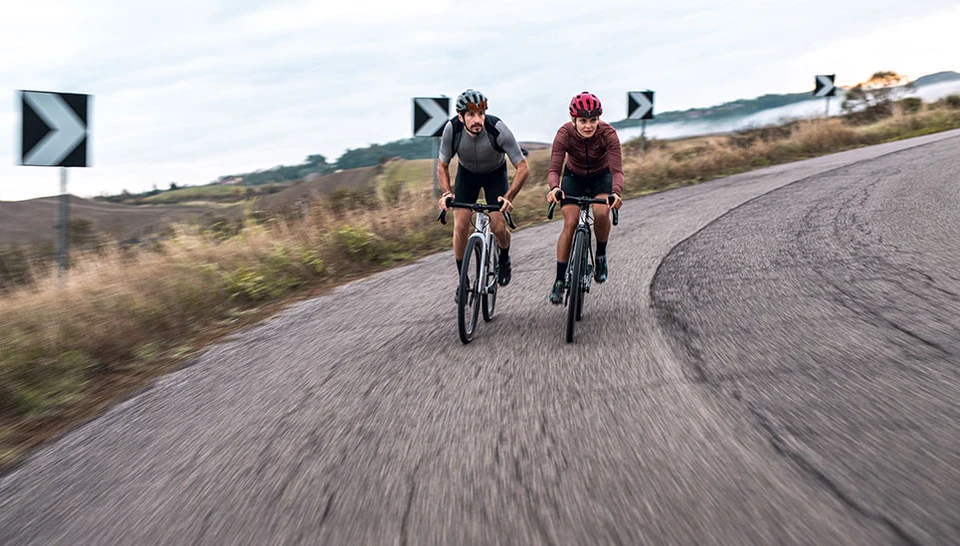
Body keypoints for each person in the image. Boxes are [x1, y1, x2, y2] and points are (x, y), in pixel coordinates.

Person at [437, 89, 529, 293]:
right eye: (471, 115)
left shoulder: (497, 129)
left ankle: (504, 258)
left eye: (481, 113)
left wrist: (508, 197)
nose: (477, 119)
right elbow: (442, 165)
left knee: (498, 227)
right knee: (460, 225)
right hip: (467, 174)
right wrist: (446, 193)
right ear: (461, 116)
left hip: (495, 174)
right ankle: (463, 279)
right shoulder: (452, 129)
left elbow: (523, 168)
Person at [545, 91, 624, 304]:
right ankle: (560, 280)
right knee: (570, 223)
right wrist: (554, 188)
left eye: (593, 120)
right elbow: (554, 169)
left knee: (600, 212)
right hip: (574, 177)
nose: (588, 126)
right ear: (573, 120)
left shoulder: (608, 134)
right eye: (582, 121)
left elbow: (617, 171)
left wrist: (616, 192)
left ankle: (600, 255)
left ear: (599, 119)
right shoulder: (564, 134)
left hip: (601, 177)